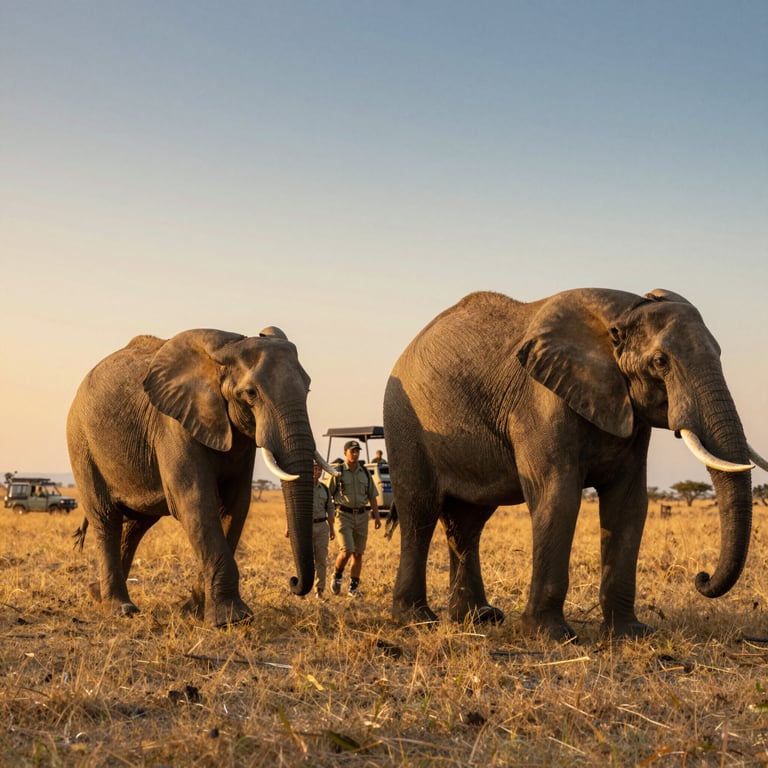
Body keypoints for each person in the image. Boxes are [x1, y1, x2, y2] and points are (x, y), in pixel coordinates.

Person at [328, 440, 381, 597]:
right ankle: (337, 575)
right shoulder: (337, 472)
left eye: (357, 451)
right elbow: (327, 494)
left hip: (362, 516)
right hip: (343, 515)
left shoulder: (364, 472)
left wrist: (377, 517)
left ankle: (353, 587)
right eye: (352, 451)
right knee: (347, 550)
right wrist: (328, 515)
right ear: (345, 453)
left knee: (358, 553)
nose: (355, 454)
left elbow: (372, 496)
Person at [285, 461, 335, 598]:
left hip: (321, 527)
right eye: (314, 469)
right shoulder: (302, 489)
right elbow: (292, 508)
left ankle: (319, 590)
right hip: (304, 528)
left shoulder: (325, 489)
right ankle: (302, 590)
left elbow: (330, 509)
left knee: (321, 560)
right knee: (305, 559)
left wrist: (331, 529)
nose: (316, 472)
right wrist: (288, 527)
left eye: (319, 469)